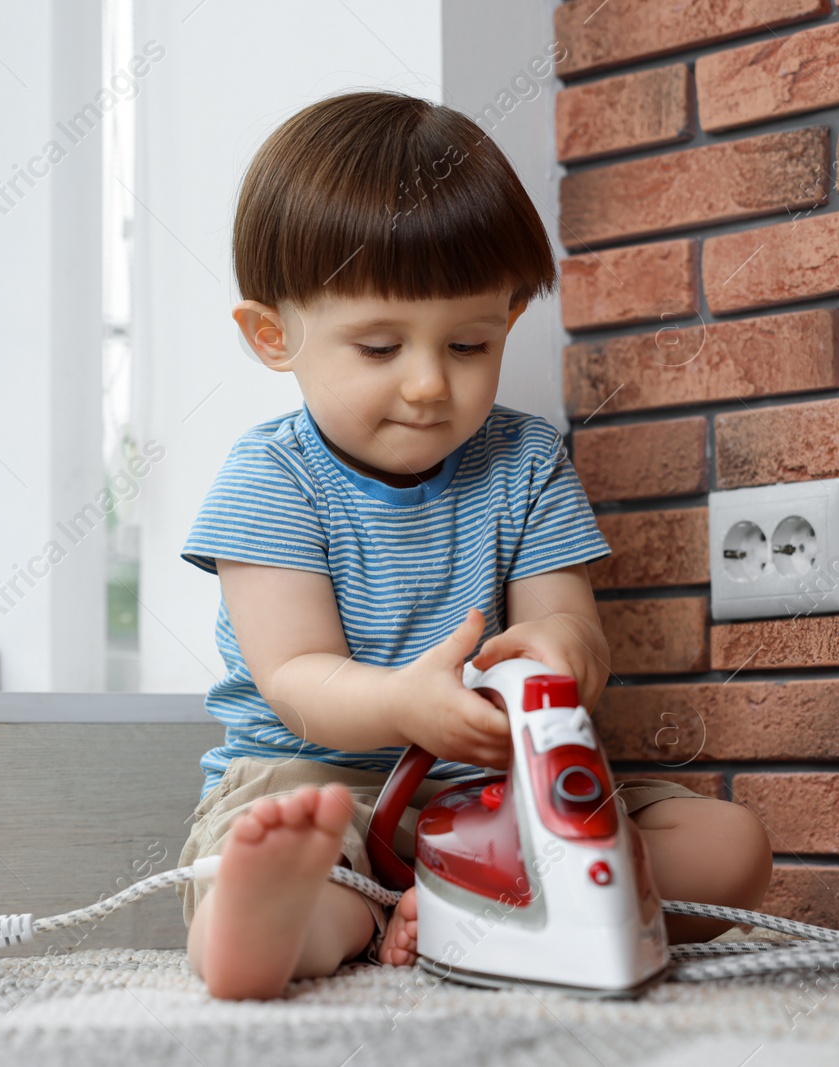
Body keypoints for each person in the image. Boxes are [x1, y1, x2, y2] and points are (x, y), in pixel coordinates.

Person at [175, 90, 772, 1000]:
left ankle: (446, 908)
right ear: (273, 335)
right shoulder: (272, 479)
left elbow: (569, 625)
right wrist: (406, 705)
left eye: (466, 342)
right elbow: (296, 680)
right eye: (378, 347)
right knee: (295, 862)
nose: (426, 384)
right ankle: (292, 917)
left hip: (501, 793)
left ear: (509, 320)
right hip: (321, 781)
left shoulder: (528, 461)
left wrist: (563, 651)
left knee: (730, 850)